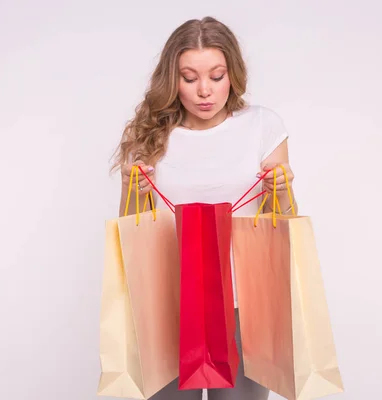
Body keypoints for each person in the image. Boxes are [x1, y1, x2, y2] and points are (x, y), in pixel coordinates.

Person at [110, 16, 297, 400]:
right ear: (172, 79)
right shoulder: (150, 136)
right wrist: (131, 188)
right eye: (189, 78)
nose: (204, 91)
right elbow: (133, 232)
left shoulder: (262, 125)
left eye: (216, 75)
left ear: (233, 74)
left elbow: (284, 226)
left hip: (246, 303)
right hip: (171, 304)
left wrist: (281, 190)